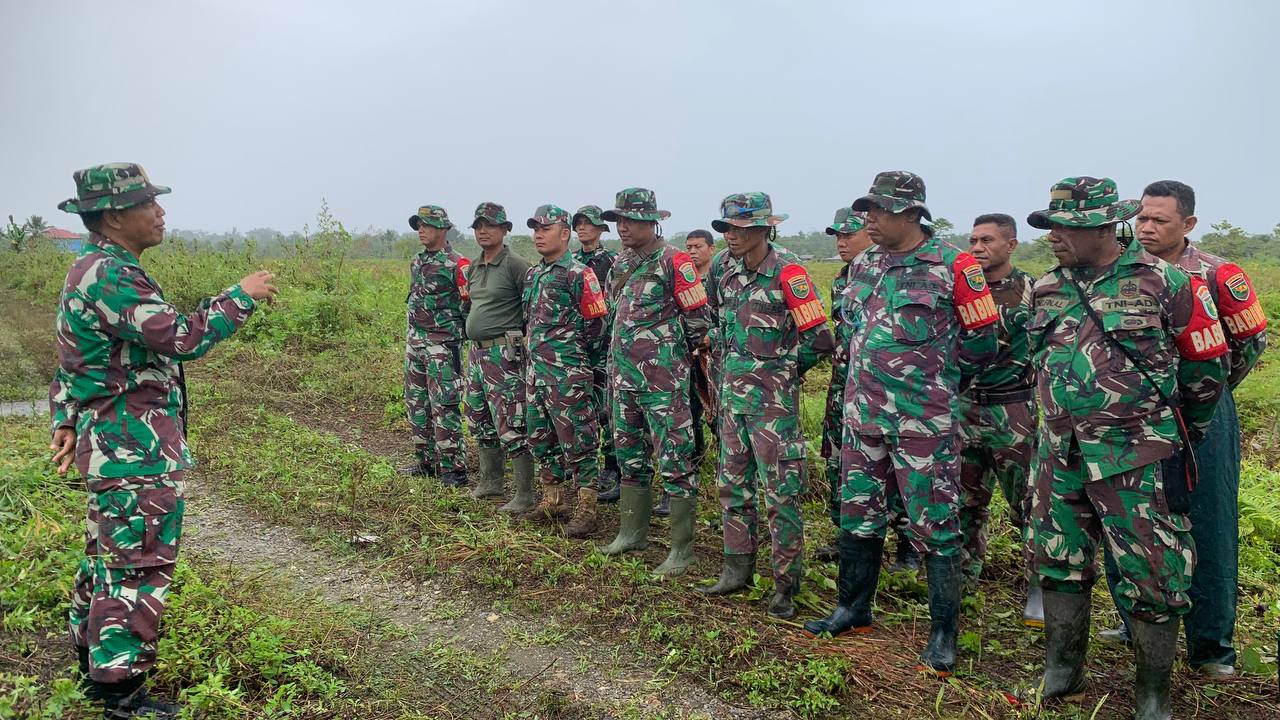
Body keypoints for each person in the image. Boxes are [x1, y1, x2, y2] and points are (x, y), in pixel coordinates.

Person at [49, 163, 278, 718]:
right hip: (133, 449)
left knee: (108, 558)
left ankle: (93, 669)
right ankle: (120, 695)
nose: (160, 212)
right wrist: (240, 296)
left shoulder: (96, 267)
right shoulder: (110, 274)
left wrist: (63, 416)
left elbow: (75, 358)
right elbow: (181, 337)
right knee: (137, 565)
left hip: (116, 443)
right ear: (114, 215)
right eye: (148, 203)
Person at [1023, 176, 1228, 719]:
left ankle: (1153, 694)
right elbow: (1034, 361)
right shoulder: (1045, 287)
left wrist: (1177, 432)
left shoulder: (1168, 282)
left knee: (1154, 576)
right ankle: (1062, 670)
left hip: (1136, 456)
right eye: (1051, 226)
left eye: (1065, 227)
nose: (1054, 237)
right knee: (1059, 561)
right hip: (1058, 455)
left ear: (1102, 227)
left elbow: (1207, 369)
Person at [803, 171, 998, 679]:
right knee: (858, 514)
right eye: (867, 207)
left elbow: (982, 343)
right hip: (862, 418)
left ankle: (943, 633)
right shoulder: (864, 262)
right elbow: (850, 331)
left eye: (880, 209)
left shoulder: (953, 266)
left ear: (912, 214)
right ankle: (853, 607)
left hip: (922, 423)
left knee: (935, 524)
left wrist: (934, 388)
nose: (869, 218)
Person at [1096, 180, 1267, 677]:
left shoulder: (1217, 274)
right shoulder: (1116, 271)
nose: (1147, 228)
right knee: (1128, 517)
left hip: (1205, 414)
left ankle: (1211, 648)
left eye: (1160, 221)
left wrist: (1200, 397)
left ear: (1188, 224)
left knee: (1208, 524)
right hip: (1131, 416)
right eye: (1142, 219)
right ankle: (1133, 623)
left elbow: (1250, 344)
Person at [696, 193, 833, 619]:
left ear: (763, 229)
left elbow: (821, 338)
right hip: (732, 401)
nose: (731, 237)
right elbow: (717, 322)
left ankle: (786, 585)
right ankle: (736, 570)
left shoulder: (788, 271)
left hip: (773, 409)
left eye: (738, 229)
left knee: (781, 495)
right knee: (732, 488)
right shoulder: (722, 267)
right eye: (727, 229)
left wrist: (781, 371)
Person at [598, 188, 713, 576]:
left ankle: (682, 550)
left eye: (630, 220)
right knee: (629, 453)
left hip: (663, 382)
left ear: (652, 222)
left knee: (675, 459)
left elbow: (699, 321)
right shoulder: (621, 262)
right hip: (623, 378)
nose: (623, 227)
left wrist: (666, 356)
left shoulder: (674, 262)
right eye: (619, 220)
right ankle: (632, 533)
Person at [958, 213, 1041, 625]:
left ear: (1010, 244)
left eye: (987, 240)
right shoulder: (960, 288)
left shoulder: (1032, 290)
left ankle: (1040, 588)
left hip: (1013, 410)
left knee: (1028, 503)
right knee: (963, 502)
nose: (977, 248)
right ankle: (961, 580)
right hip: (963, 406)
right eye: (973, 240)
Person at [521, 205, 608, 536]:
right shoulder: (534, 274)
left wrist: (577, 363)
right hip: (537, 373)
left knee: (579, 440)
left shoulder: (579, 274)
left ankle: (587, 507)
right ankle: (553, 499)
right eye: (535, 228)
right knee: (540, 436)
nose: (539, 234)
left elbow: (597, 327)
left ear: (565, 233)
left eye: (546, 228)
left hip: (568, 373)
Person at [462, 202, 535, 511]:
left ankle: (524, 494)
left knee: (511, 422)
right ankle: (490, 483)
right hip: (476, 354)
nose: (483, 231)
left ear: (505, 230)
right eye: (478, 225)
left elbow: (533, 307)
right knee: (479, 418)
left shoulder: (516, 264)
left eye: (490, 225)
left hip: (503, 355)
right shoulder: (474, 267)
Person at [814, 208, 870, 562]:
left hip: (876, 390)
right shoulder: (840, 280)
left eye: (849, 235)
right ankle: (844, 535)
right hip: (841, 386)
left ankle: (907, 546)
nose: (842, 242)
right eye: (837, 236)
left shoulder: (885, 277)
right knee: (839, 463)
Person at [651, 228, 720, 518]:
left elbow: (713, 316)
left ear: (711, 249)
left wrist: (708, 339)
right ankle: (681, 479)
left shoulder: (716, 277)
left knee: (718, 419)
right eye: (689, 246)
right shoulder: (680, 274)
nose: (692, 251)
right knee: (684, 421)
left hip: (713, 361)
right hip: (682, 360)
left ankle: (721, 475)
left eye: (698, 246)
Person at [572, 205, 622, 503]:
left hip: (604, 349)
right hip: (576, 348)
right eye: (578, 224)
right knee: (581, 409)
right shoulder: (571, 262)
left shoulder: (612, 262)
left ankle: (612, 468)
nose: (582, 229)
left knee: (607, 411)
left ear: (601, 229)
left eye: (588, 224)